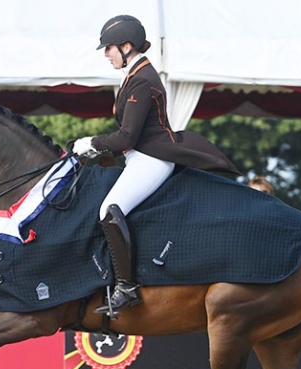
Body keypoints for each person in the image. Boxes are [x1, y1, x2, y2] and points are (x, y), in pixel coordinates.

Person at [73, 15, 239, 316]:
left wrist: (93, 143)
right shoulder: (134, 74)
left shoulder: (142, 80)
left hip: (151, 158)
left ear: (126, 46)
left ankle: (127, 288)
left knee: (108, 210)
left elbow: (127, 136)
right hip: (140, 157)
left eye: (109, 48)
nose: (106, 55)